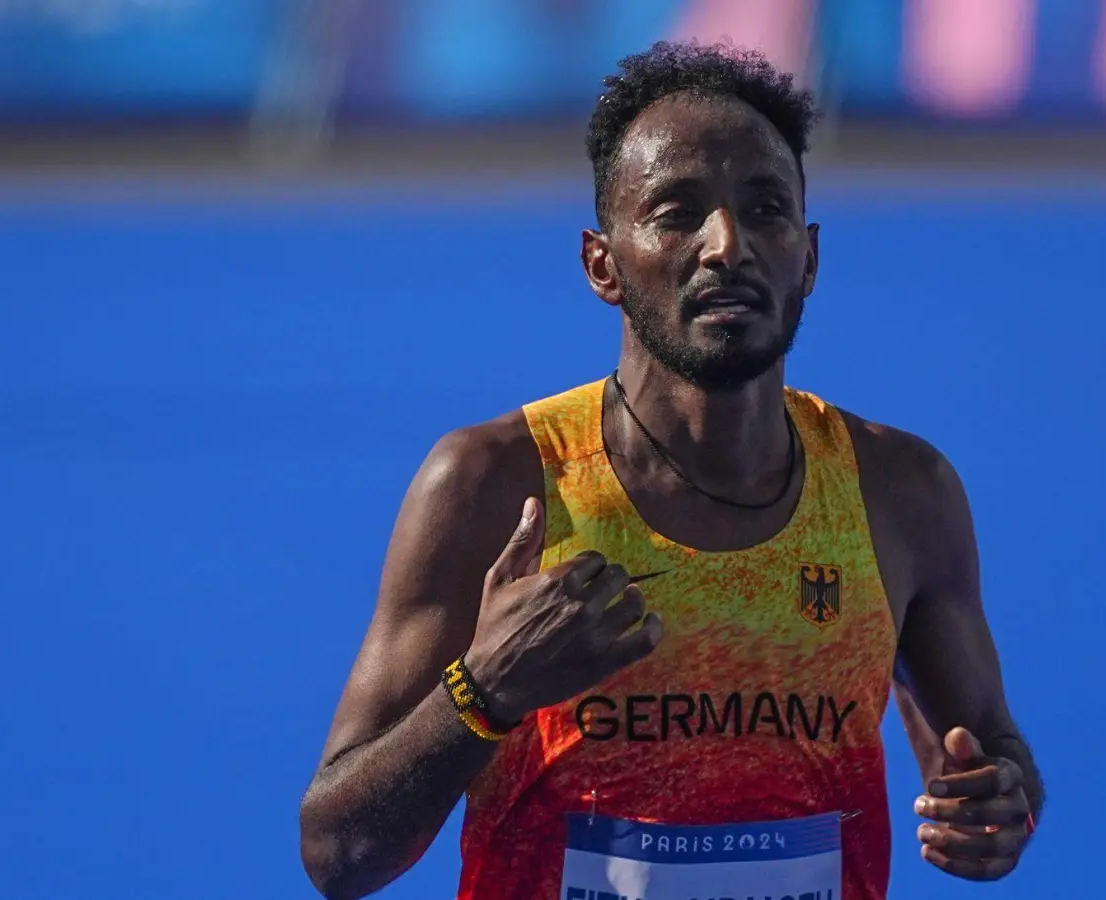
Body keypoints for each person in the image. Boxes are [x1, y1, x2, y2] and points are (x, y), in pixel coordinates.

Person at [298, 41, 1044, 900]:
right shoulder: (499, 485)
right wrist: (485, 692)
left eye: (764, 209)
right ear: (602, 264)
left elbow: (992, 757)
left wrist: (995, 812)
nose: (727, 245)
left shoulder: (900, 492)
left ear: (807, 256)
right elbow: (338, 854)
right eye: (677, 211)